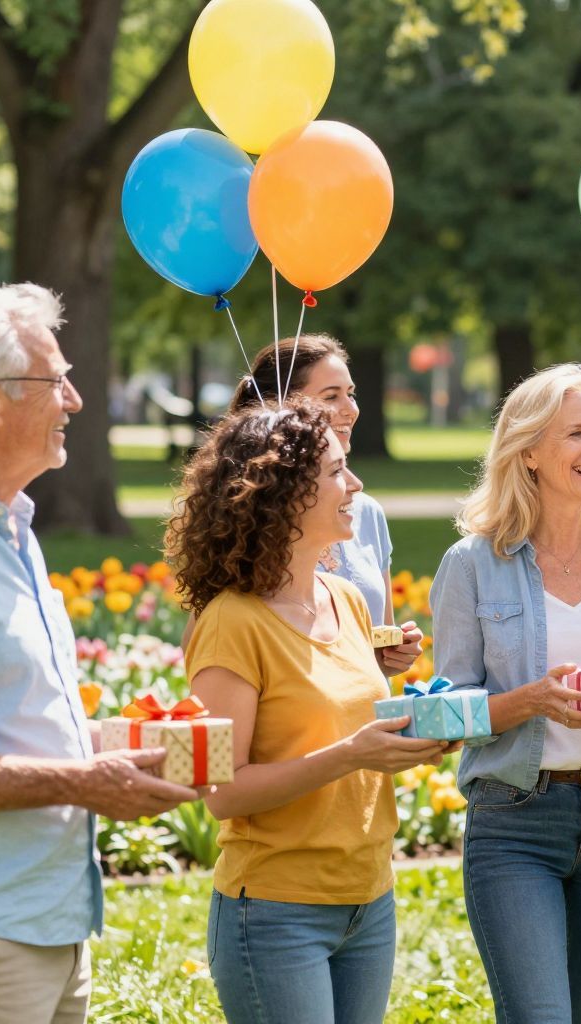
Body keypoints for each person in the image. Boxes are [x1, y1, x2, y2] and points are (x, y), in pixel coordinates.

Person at [0, 283, 197, 1023]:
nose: (75, 399)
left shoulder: (8, 528)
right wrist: (85, 782)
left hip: (47, 927)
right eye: (55, 379)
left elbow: (9, 720)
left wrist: (137, 752)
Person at [167, 400, 452, 1024]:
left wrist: (409, 740)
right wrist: (352, 754)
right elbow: (221, 791)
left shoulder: (346, 600)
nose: (354, 486)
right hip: (274, 912)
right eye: (336, 472)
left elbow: (345, 734)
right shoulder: (230, 624)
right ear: (283, 492)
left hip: (368, 900)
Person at [431, 363, 581, 1024]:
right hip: (516, 819)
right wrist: (527, 702)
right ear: (530, 452)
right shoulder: (472, 564)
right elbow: (445, 709)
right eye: (576, 433)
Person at [223, 334, 421, 674]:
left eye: (351, 393)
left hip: (371, 722)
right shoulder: (249, 517)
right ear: (284, 409)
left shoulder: (367, 513)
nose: (351, 409)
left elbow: (373, 652)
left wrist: (392, 657)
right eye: (331, 396)